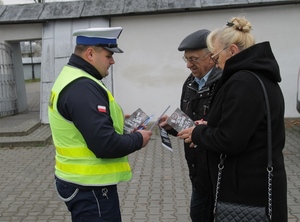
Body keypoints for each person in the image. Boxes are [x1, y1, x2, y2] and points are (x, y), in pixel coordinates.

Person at [178, 17, 288, 222]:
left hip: (246, 190)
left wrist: (198, 132)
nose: (216, 62)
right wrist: (209, 126)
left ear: (233, 51)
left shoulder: (243, 82)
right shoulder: (259, 76)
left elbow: (230, 140)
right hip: (255, 184)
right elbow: (242, 126)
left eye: (216, 55)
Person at [48, 27, 152, 222]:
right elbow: (105, 144)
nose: (112, 61)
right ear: (90, 53)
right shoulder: (82, 86)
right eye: (109, 55)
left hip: (80, 183)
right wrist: (139, 139)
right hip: (89, 188)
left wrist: (121, 122)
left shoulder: (75, 77)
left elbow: (85, 122)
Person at [159, 29, 222, 222]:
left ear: (211, 56)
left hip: (219, 174)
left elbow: (228, 130)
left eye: (193, 59)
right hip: (198, 172)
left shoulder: (224, 83)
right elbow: (189, 120)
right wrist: (172, 125)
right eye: (186, 59)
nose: (188, 65)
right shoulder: (190, 82)